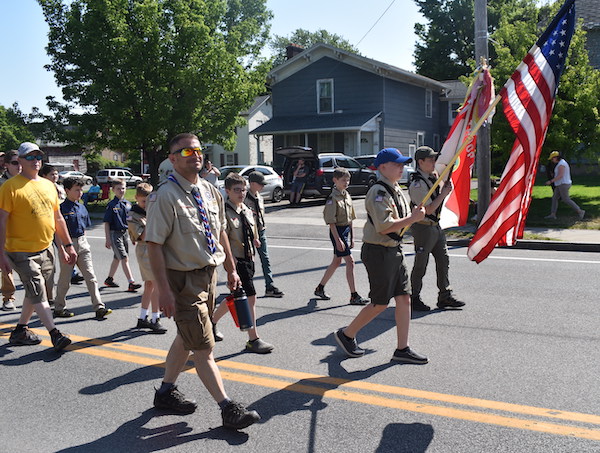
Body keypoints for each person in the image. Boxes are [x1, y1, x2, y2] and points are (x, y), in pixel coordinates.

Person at [146, 133, 260, 430]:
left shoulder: (210, 190)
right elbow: (154, 245)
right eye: (185, 151)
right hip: (181, 280)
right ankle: (228, 408)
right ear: (172, 159)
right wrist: (163, 291)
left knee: (188, 335)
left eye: (197, 149)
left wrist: (231, 269)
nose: (194, 154)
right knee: (203, 346)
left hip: (208, 274)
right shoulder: (165, 196)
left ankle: (166, 392)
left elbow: (221, 231)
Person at [333, 147, 428, 364]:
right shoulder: (379, 192)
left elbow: (401, 222)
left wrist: (416, 215)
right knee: (380, 303)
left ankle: (402, 349)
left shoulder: (394, 188)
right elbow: (385, 227)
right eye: (398, 164)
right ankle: (347, 334)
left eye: (403, 164)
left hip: (394, 249)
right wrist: (413, 219)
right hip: (379, 251)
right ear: (383, 167)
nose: (402, 168)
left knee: (404, 298)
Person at [0, 142, 74, 351]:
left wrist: (67, 246)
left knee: (34, 293)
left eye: (38, 157)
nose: (35, 161)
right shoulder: (9, 187)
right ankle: (55, 333)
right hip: (19, 250)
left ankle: (20, 330)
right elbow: (1, 222)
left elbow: (58, 218)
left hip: (45, 247)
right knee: (38, 291)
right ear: (20, 161)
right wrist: (1, 255)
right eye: (30, 157)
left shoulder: (48, 185)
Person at [211, 173, 274, 354]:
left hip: (248, 259)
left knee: (236, 297)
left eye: (243, 189)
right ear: (227, 191)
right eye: (237, 190)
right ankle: (253, 339)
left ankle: (211, 322)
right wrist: (232, 266)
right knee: (250, 298)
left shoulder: (246, 209)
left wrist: (255, 241)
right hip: (235, 261)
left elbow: (251, 230)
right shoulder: (224, 213)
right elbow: (223, 241)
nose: (241, 193)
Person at [408, 146, 465, 312]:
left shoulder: (432, 177)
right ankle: (414, 297)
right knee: (421, 264)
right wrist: (444, 193)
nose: (434, 162)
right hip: (423, 227)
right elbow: (428, 209)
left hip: (435, 226)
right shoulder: (417, 184)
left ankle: (444, 295)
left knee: (443, 260)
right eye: (430, 159)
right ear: (420, 162)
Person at [53, 177, 112, 319]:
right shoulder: (61, 208)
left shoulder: (82, 207)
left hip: (82, 243)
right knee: (65, 279)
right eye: (76, 190)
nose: (80, 193)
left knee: (91, 277)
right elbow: (58, 232)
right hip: (68, 244)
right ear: (67, 191)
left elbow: (84, 227)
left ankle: (99, 307)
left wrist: (83, 243)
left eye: (81, 190)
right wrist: (62, 250)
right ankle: (59, 307)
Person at [314, 167, 368, 305]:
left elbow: (350, 218)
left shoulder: (346, 195)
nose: (346, 182)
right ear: (335, 180)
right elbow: (331, 222)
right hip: (336, 232)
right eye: (343, 180)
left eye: (348, 180)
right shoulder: (333, 198)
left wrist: (352, 237)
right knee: (350, 261)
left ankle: (320, 288)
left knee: (337, 261)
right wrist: (338, 240)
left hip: (345, 231)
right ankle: (354, 295)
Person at [127, 182, 167, 334]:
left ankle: (143, 317)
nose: (147, 204)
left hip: (156, 249)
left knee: (150, 285)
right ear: (137, 198)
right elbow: (143, 235)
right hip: (145, 250)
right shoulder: (133, 215)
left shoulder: (154, 211)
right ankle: (155, 319)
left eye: (150, 200)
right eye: (144, 201)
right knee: (156, 284)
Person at [244, 171, 284, 298]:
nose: (262, 187)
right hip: (248, 233)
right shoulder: (243, 198)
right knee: (249, 261)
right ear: (252, 184)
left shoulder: (260, 198)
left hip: (261, 231)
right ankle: (245, 286)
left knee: (265, 259)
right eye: (260, 184)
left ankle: (270, 286)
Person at [103, 179, 142, 292]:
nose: (121, 190)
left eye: (123, 188)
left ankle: (109, 279)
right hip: (115, 234)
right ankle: (131, 282)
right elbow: (107, 223)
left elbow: (130, 223)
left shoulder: (128, 204)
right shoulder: (112, 205)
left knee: (117, 258)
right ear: (113, 190)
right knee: (124, 258)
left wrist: (132, 236)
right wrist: (108, 239)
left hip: (125, 233)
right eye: (118, 189)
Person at [0, 151, 20, 311]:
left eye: (21, 162)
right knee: (6, 266)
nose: (19, 166)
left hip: (25, 231)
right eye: (15, 163)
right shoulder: (1, 184)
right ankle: (8, 297)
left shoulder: (28, 182)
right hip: (5, 230)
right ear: (6, 165)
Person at [545, 151, 585, 220]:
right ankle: (553, 214)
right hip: (560, 184)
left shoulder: (561, 164)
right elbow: (559, 175)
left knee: (566, 199)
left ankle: (580, 211)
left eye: (552, 159)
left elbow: (560, 175)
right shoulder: (561, 163)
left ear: (556, 157)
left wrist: (551, 181)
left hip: (563, 184)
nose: (552, 160)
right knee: (554, 198)